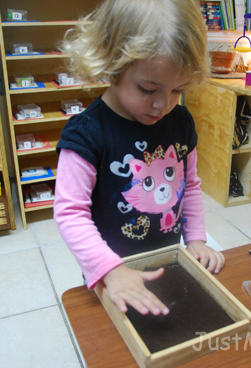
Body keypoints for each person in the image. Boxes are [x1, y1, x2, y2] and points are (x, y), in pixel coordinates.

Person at [54, 0, 225, 317]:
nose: (163, 105)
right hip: (112, 272)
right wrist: (110, 270)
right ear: (111, 62)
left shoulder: (181, 122)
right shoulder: (87, 134)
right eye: (148, 89)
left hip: (167, 260)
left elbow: (189, 185)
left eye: (178, 90)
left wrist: (197, 239)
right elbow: (69, 212)